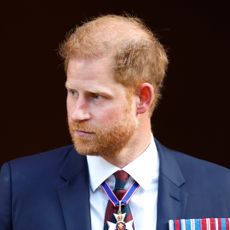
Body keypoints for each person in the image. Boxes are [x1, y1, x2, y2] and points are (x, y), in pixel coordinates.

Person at [0, 14, 229, 230]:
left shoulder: (221, 189)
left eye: (96, 96)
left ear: (142, 99)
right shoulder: (19, 186)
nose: (77, 113)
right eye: (72, 92)